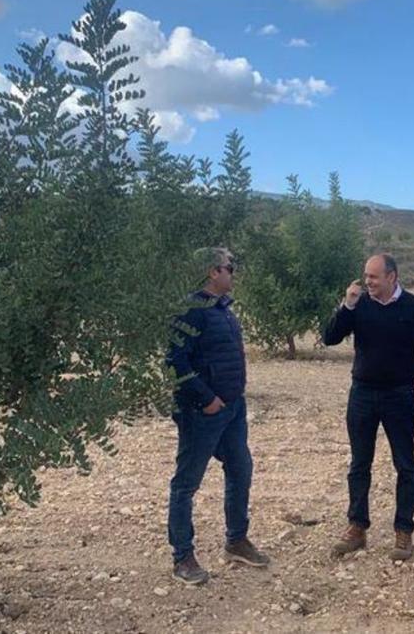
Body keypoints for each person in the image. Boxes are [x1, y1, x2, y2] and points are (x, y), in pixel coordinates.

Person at [322, 253, 414, 560]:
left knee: (405, 464)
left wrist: (405, 373)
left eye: (373, 277)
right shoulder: (358, 304)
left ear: (392, 277)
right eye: (365, 276)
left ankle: (404, 530)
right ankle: (357, 527)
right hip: (362, 394)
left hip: (399, 396)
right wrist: (346, 305)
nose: (367, 282)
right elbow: (330, 337)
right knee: (359, 463)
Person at [165, 247, 269, 586]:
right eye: (230, 267)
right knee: (186, 483)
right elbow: (175, 363)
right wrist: (206, 398)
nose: (233, 273)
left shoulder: (223, 309)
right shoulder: (191, 309)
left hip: (233, 409)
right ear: (213, 272)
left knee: (241, 468)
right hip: (203, 412)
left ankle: (236, 541)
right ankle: (183, 557)